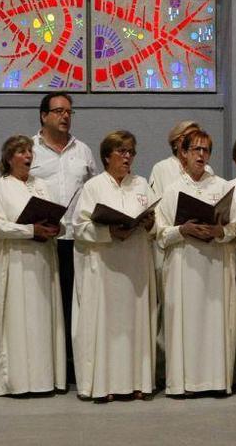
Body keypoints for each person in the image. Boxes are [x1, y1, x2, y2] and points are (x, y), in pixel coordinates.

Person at [72, 131, 157, 402]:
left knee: (135, 323)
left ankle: (137, 382)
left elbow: (156, 222)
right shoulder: (94, 186)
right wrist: (109, 232)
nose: (127, 157)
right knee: (107, 325)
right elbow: (79, 228)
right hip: (106, 265)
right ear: (107, 156)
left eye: (131, 151)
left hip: (135, 265)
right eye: (121, 151)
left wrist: (149, 223)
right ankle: (104, 384)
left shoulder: (141, 184)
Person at [155, 129, 236, 396]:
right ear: (183, 154)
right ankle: (183, 383)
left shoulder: (223, 187)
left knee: (214, 322)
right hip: (184, 266)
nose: (201, 155)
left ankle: (215, 381)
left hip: (214, 266)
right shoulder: (172, 190)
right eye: (196, 150)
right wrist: (183, 230)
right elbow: (159, 233)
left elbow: (234, 228)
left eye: (206, 150)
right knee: (185, 323)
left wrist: (219, 232)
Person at [0, 135, 66, 395]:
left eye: (30, 151)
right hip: (15, 264)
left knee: (41, 321)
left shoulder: (41, 185)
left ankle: (43, 379)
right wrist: (29, 229)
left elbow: (56, 218)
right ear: (9, 158)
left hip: (41, 262)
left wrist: (55, 227)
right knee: (16, 322)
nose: (28, 156)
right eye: (21, 152)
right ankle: (15, 381)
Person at [29, 92, 96, 385]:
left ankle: (71, 366)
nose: (65, 116)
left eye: (69, 111)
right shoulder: (29, 149)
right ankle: (45, 367)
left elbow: (93, 189)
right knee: (44, 306)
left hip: (75, 238)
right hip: (41, 239)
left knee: (74, 305)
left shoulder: (83, 151)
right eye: (58, 111)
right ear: (44, 115)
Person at [149, 120, 215, 196]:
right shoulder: (161, 168)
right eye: (187, 137)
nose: (192, 141)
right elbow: (156, 202)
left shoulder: (207, 169)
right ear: (175, 142)